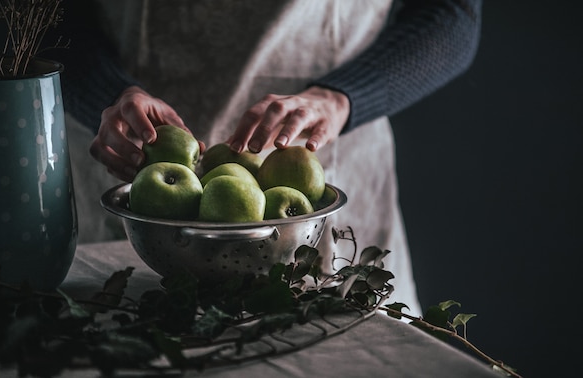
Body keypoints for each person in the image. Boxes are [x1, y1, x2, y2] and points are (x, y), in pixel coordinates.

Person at [45, 0, 482, 316]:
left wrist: (342, 98)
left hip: (325, 181)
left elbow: (451, 13)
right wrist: (109, 95)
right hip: (135, 185)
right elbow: (52, 14)